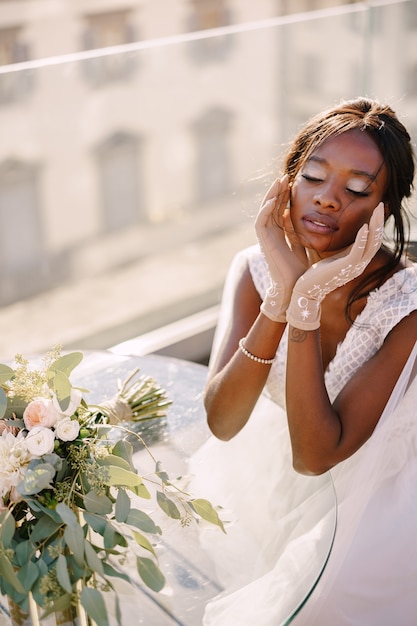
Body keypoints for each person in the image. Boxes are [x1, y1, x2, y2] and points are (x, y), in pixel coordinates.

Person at [190, 97, 417, 625]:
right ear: (287, 184)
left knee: (318, 600)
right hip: (277, 470)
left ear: (384, 209)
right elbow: (223, 422)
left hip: (384, 487)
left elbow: (318, 456)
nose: (329, 199)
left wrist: (308, 306)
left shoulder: (408, 308)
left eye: (358, 189)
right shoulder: (255, 269)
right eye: (313, 177)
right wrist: (285, 294)